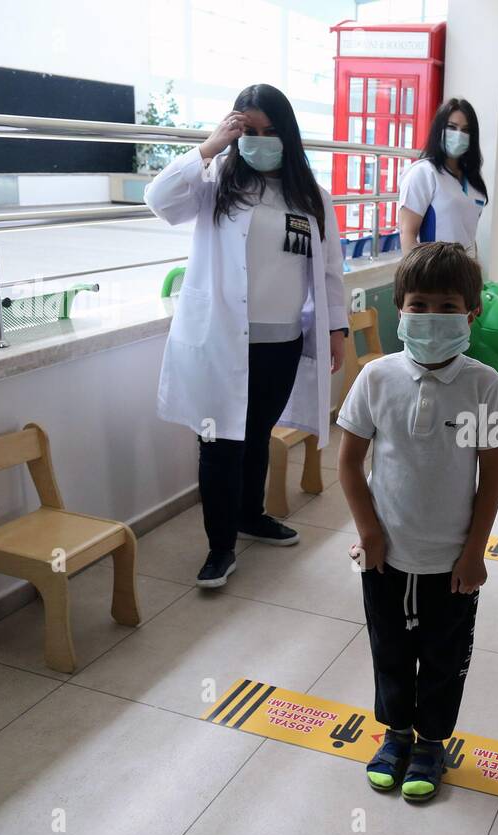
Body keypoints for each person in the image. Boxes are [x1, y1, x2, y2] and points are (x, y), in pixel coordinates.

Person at [145, 84, 348, 589]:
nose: (260, 141)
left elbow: (328, 272)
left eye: (270, 131)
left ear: (288, 135)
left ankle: (251, 516)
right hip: (219, 342)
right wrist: (209, 146)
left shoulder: (311, 198)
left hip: (280, 342)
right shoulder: (215, 181)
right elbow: (159, 200)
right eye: (248, 132)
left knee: (257, 434)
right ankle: (219, 548)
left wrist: (337, 330)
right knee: (218, 444)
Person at [337, 241, 498, 802]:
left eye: (446, 306)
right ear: (399, 308)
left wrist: (474, 552)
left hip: (451, 559)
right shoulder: (376, 377)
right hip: (385, 554)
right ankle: (395, 733)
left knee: (442, 655)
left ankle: (431, 741)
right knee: (389, 649)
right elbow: (348, 461)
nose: (431, 318)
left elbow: (492, 475)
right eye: (419, 305)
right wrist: (368, 532)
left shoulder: (482, 384)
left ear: (471, 313)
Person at [397, 98, 487, 257]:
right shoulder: (423, 173)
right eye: (452, 127)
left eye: (466, 130)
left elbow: (469, 237)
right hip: (433, 275)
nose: (459, 135)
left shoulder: (474, 183)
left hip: (466, 275)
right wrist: (419, 278)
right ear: (439, 130)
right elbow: (408, 234)